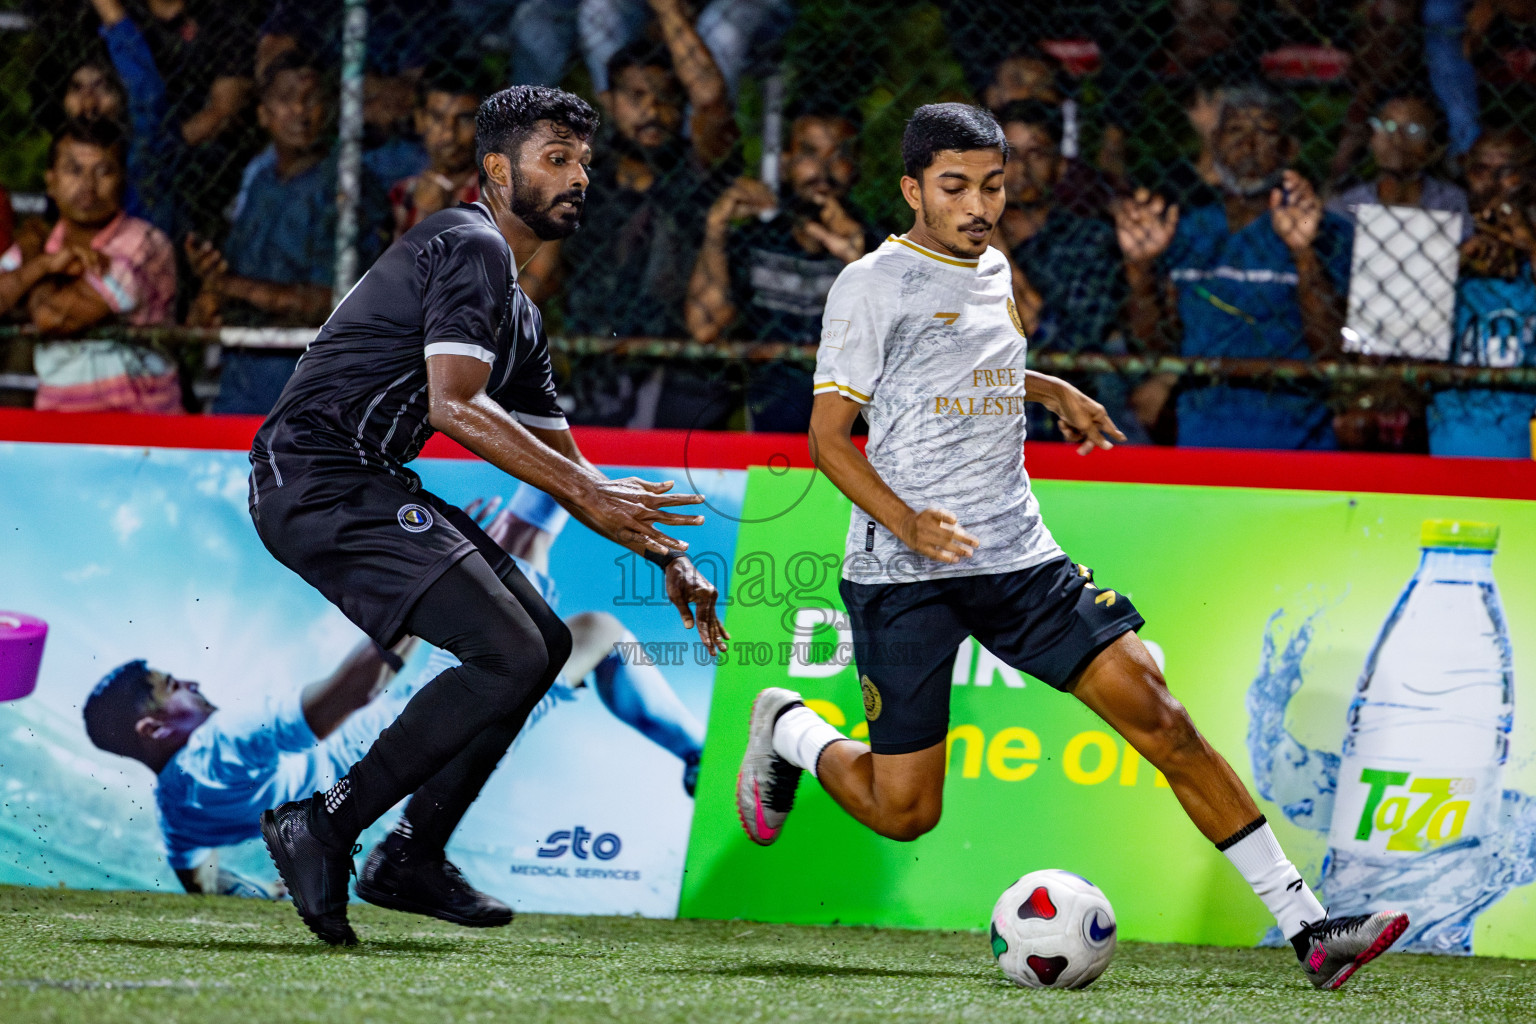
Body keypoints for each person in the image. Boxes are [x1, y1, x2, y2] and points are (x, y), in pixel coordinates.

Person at [736, 102, 1407, 992]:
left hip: (1018, 559)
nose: (978, 205)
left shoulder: (993, 267)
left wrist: (1047, 389)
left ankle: (1311, 929)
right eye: (954, 188)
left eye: (993, 186)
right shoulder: (870, 284)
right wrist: (908, 525)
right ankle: (790, 728)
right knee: (904, 815)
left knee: (1163, 717)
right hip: (907, 576)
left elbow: (970, 365)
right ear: (911, 190)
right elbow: (828, 437)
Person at [247, 85, 727, 947]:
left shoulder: (520, 314)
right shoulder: (465, 240)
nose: (580, 176)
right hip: (314, 476)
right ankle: (323, 826)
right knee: (509, 648)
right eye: (557, 159)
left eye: (584, 161)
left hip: (361, 478)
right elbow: (455, 405)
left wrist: (665, 556)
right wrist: (592, 496)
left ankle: (410, 856)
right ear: (498, 170)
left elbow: (572, 470)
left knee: (540, 646)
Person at [1114, 84, 1353, 449]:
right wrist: (1140, 269)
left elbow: (1330, 347)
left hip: (1296, 436)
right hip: (1202, 432)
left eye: (1265, 131)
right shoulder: (1187, 230)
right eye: (1235, 130)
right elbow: (1157, 344)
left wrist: (1304, 254)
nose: (1248, 143)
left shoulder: (1328, 232)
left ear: (1289, 149)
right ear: (1215, 145)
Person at [82, 642, 414, 897]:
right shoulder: (221, 741)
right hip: (416, 721)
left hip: (395, 771)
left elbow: (198, 879)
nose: (192, 683)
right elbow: (355, 690)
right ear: (153, 730)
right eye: (173, 686)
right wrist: (418, 600)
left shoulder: (175, 813)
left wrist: (256, 894)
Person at [552, 4, 738, 427]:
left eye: (666, 98)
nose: (653, 109)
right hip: (594, 369)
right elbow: (539, 272)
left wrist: (669, 10)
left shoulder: (696, 172)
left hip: (681, 373)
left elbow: (710, 98)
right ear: (608, 103)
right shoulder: (581, 182)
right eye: (637, 96)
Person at [183, 49, 390, 415]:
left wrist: (231, 287)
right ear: (263, 114)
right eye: (285, 100)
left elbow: (337, 301)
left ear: (330, 108)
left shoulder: (347, 185)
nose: (299, 111)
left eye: (311, 99)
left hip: (313, 383)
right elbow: (232, 281)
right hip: (243, 380)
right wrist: (210, 295)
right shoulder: (259, 183)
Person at [685, 102, 881, 432]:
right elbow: (704, 326)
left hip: (857, 435)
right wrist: (716, 231)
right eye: (809, 152)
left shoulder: (881, 245)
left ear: (856, 166)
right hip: (769, 428)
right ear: (786, 163)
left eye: (839, 154)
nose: (824, 168)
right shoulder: (756, 241)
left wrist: (858, 261)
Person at [0, 118, 179, 413]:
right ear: (51, 180)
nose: (88, 185)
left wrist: (35, 261)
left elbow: (53, 318)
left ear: (122, 180)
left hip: (143, 424)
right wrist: (44, 263)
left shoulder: (144, 244)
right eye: (74, 170)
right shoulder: (44, 245)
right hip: (59, 419)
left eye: (103, 171)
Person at [993, 100, 1144, 444]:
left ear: (1060, 168)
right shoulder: (949, 241)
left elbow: (1062, 346)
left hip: (1050, 432)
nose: (1022, 169)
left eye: (1038, 155)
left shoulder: (1089, 240)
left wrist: (995, 249)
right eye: (1010, 155)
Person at [1429, 127, 1536, 456]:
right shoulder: (1440, 246)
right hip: (1453, 444)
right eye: (1480, 171)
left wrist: (1529, 246)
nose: (1492, 184)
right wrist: (1454, 263)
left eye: (1507, 172)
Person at [1326, 94, 1471, 231]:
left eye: (1412, 130)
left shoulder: (1450, 202)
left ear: (1431, 147)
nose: (1396, 138)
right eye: (1387, 125)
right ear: (1373, 139)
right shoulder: (1346, 205)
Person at [390, 65, 487, 241]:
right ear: (420, 120)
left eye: (465, 119)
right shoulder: (402, 194)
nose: (449, 134)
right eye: (437, 118)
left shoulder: (501, 197)